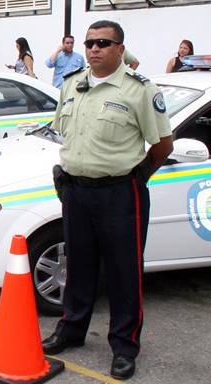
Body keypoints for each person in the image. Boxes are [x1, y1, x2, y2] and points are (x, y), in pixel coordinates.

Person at [44, 20, 173, 381]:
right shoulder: (72, 85)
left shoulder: (140, 90)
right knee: (79, 265)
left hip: (119, 193)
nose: (94, 49)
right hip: (75, 192)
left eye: (103, 43)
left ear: (120, 49)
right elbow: (65, 135)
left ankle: (124, 345)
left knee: (123, 272)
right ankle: (71, 330)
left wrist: (139, 176)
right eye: (90, 43)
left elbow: (163, 145)